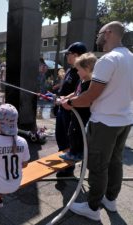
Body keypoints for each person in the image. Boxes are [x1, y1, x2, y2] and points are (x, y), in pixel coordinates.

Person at [61, 21, 133, 221]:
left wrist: (70, 103)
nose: (98, 36)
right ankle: (110, 199)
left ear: (108, 33)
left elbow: (90, 96)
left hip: (104, 123)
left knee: (98, 165)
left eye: (100, 33)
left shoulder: (108, 60)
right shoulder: (131, 58)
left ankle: (92, 207)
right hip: (124, 120)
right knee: (115, 161)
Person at [55, 42, 87, 177]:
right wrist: (58, 98)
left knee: (70, 140)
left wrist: (65, 100)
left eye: (68, 54)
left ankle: (68, 169)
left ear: (76, 55)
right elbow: (69, 90)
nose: (66, 57)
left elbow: (79, 94)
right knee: (60, 138)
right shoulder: (70, 70)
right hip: (62, 110)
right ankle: (64, 163)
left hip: (71, 113)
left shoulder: (82, 74)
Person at [59, 52, 97, 161]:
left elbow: (82, 99)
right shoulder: (81, 80)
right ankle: (73, 151)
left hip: (82, 115)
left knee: (77, 133)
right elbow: (75, 93)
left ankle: (76, 153)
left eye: (79, 69)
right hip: (75, 114)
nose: (77, 72)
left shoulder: (90, 84)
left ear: (88, 69)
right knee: (72, 131)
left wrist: (68, 103)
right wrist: (64, 98)